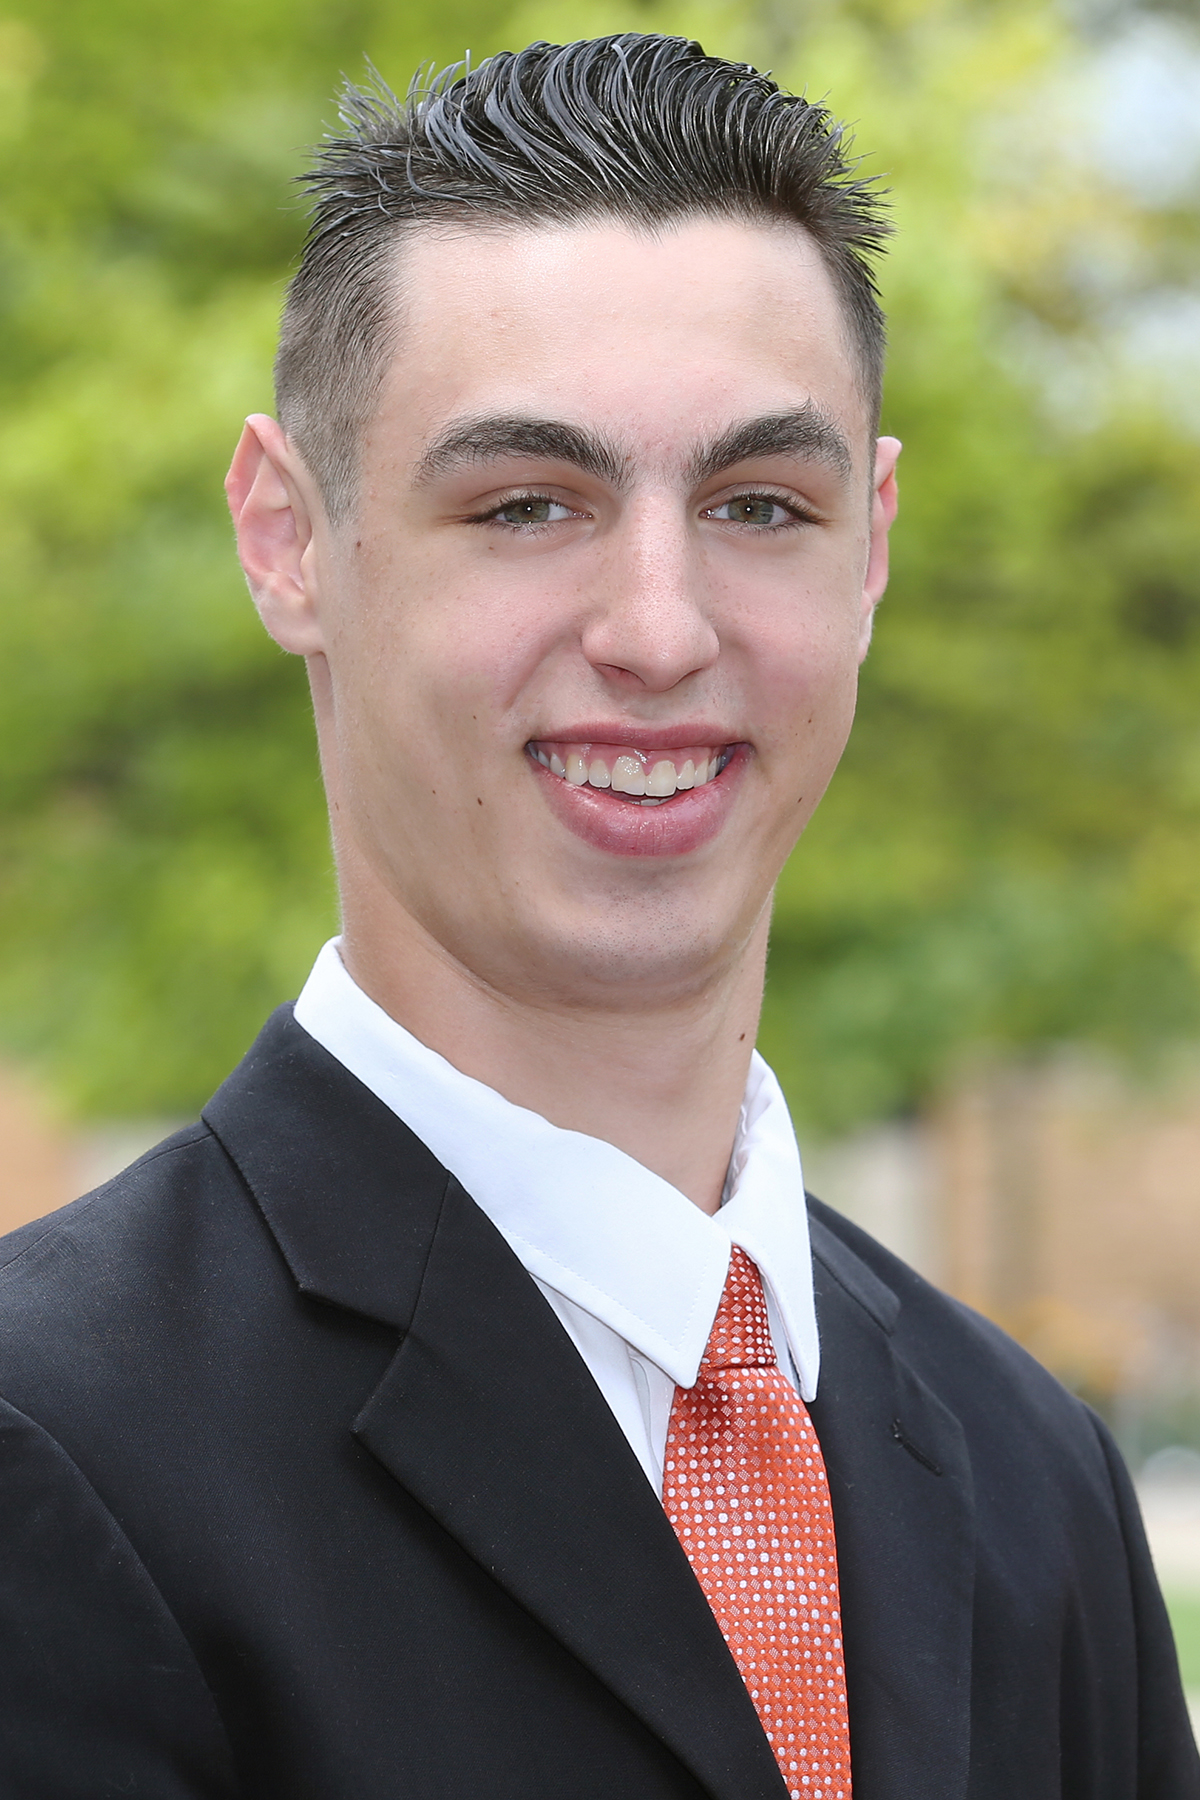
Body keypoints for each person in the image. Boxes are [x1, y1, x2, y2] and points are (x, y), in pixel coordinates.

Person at [0, 32, 1195, 1800]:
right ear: (288, 540)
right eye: (527, 505)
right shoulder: (49, 1446)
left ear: (871, 547)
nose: (659, 628)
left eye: (758, 505)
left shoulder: (1038, 1482)